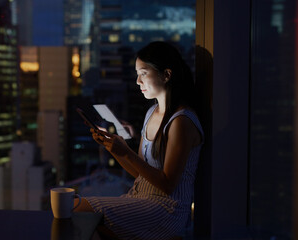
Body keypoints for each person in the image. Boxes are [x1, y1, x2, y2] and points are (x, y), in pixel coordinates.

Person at [74, 41, 204, 240]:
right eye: (137, 73)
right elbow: (140, 174)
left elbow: (168, 184)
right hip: (140, 197)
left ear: (166, 75)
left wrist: (125, 152)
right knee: (76, 210)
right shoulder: (152, 112)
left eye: (143, 73)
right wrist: (115, 149)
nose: (137, 81)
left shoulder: (182, 121)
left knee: (78, 209)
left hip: (166, 209)